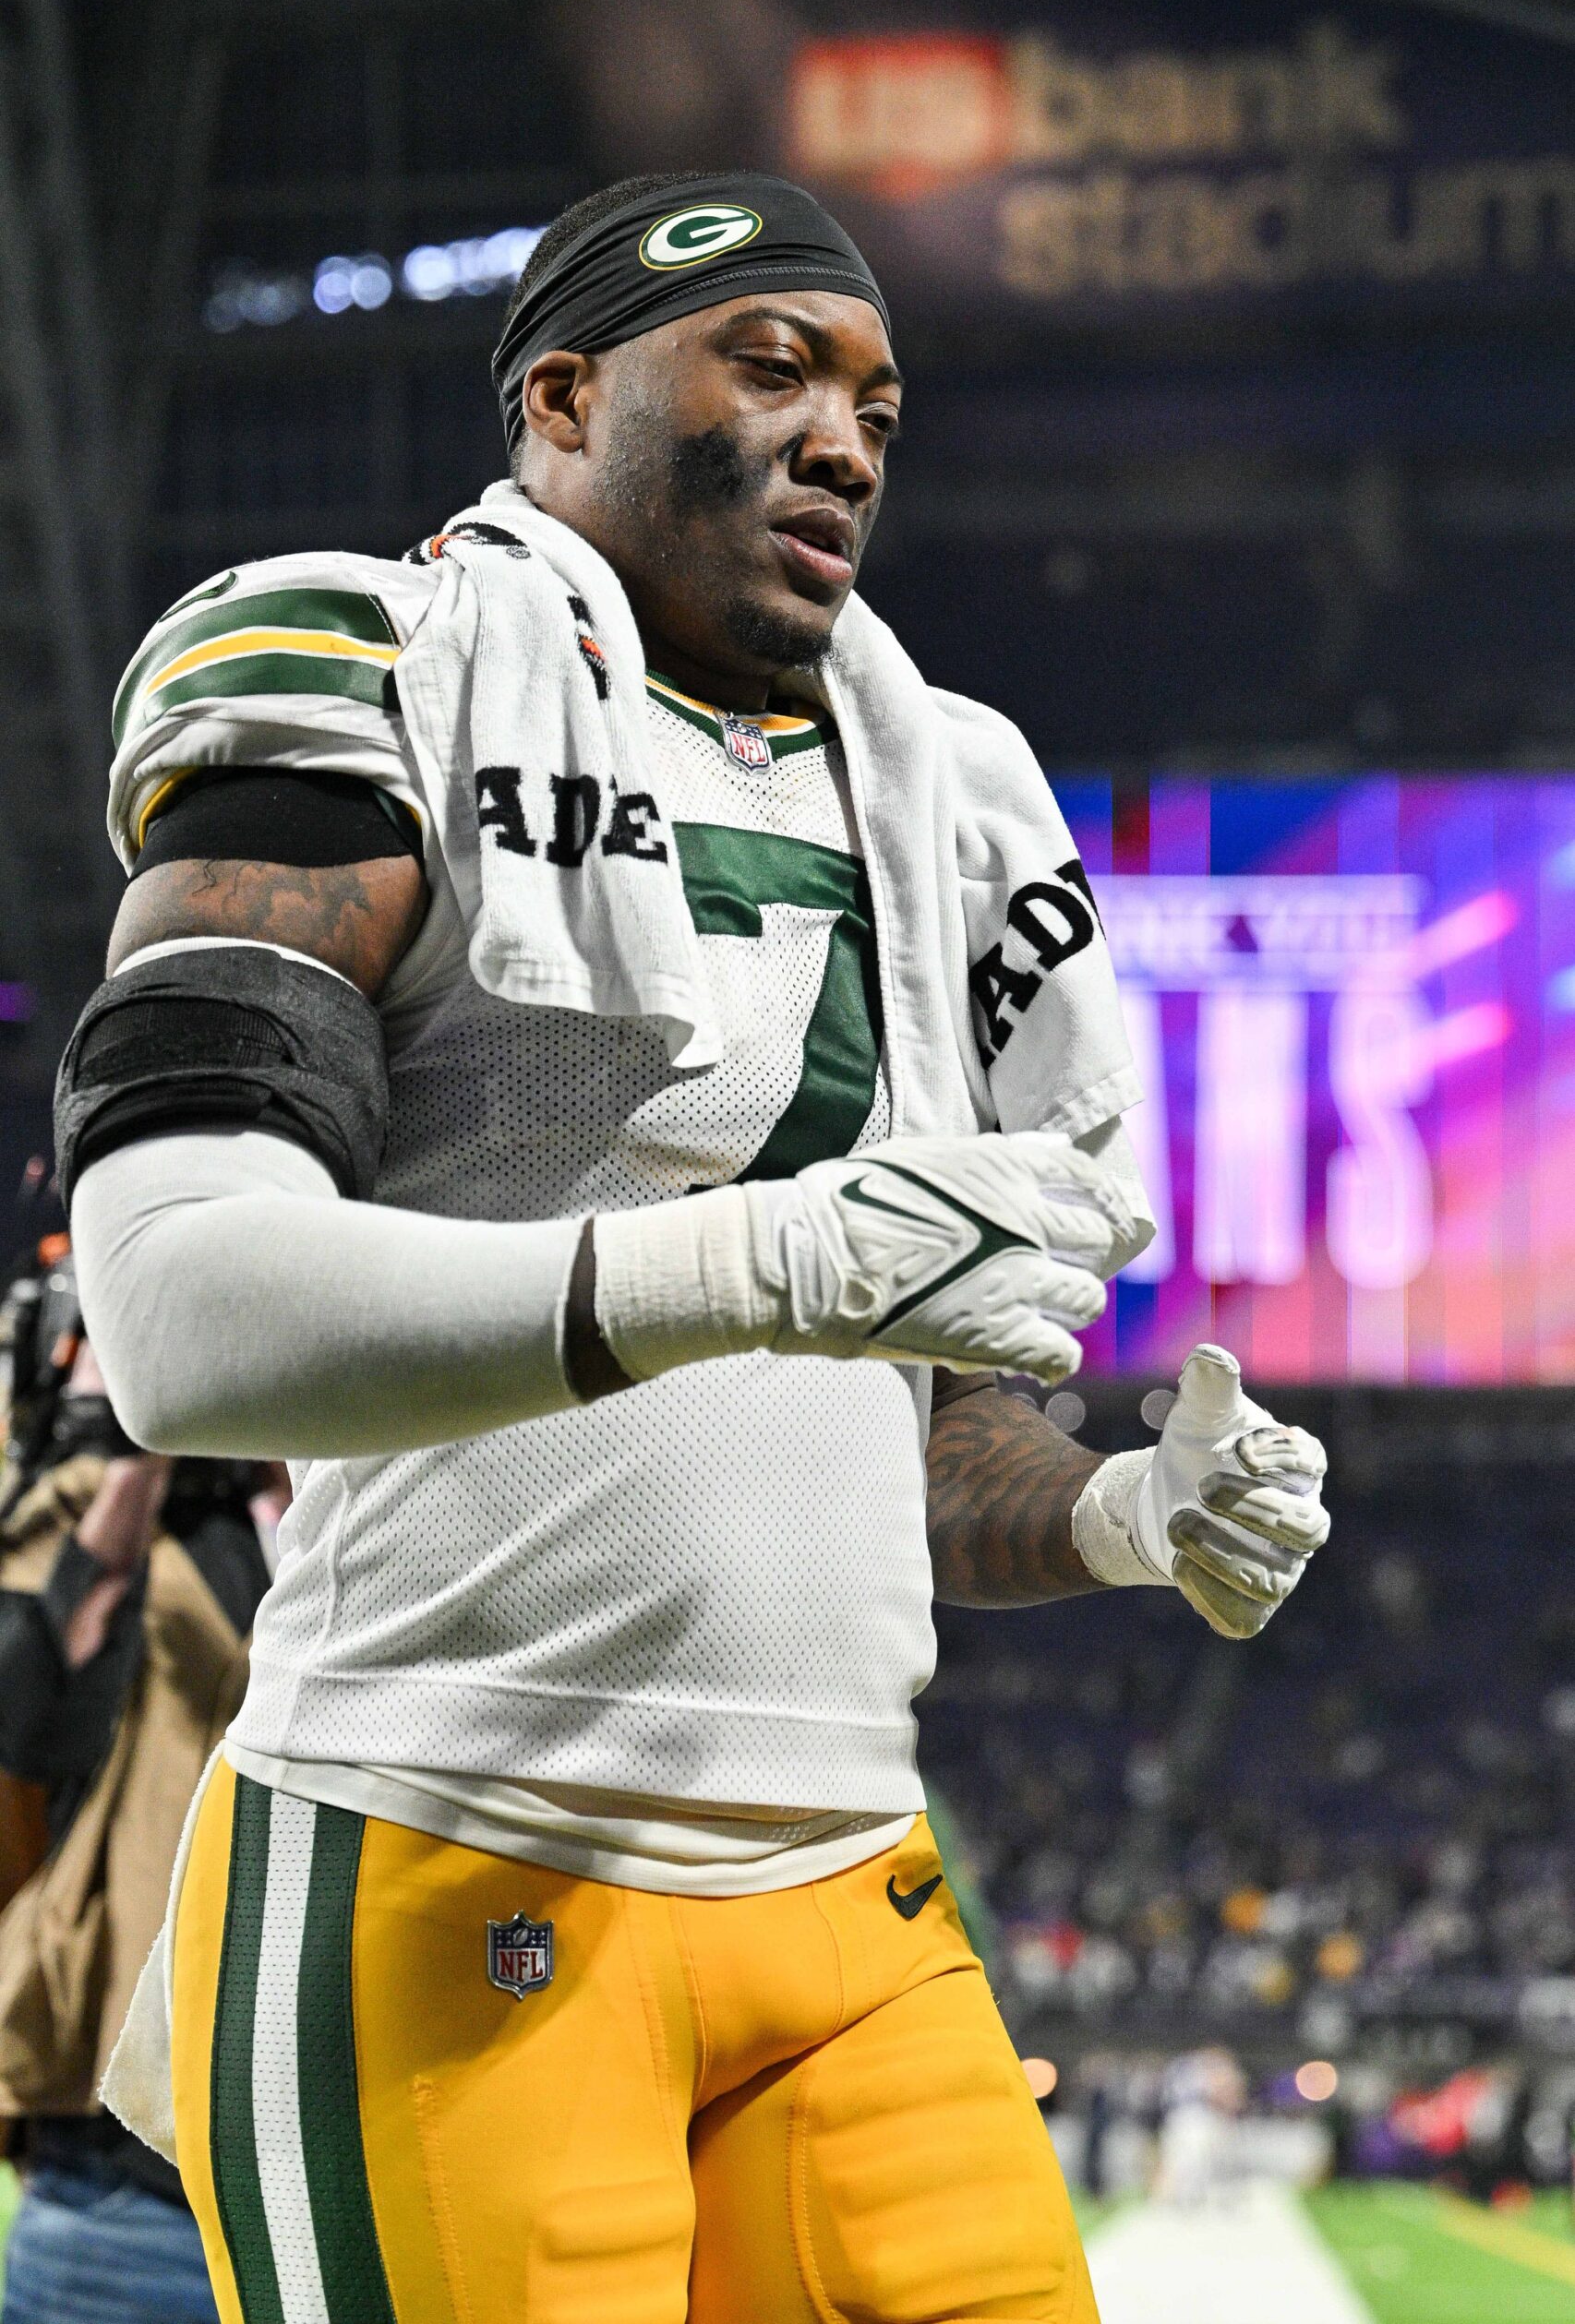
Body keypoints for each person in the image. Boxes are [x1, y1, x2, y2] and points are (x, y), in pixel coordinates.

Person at [62, 171, 1331, 2322]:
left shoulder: (943, 788)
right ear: (556, 393)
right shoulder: (371, 660)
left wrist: (1124, 1510)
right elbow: (181, 1307)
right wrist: (757, 1261)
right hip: (445, 1833)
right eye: (770, 365)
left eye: (874, 399)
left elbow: (919, 1436)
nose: (841, 431)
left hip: (849, 1875)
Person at [0, 1245, 269, 2324]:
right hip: (126, 2182)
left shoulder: (377, 1506)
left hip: (338, 2144)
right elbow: (25, 1714)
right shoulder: (93, 1511)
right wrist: (138, 1446)